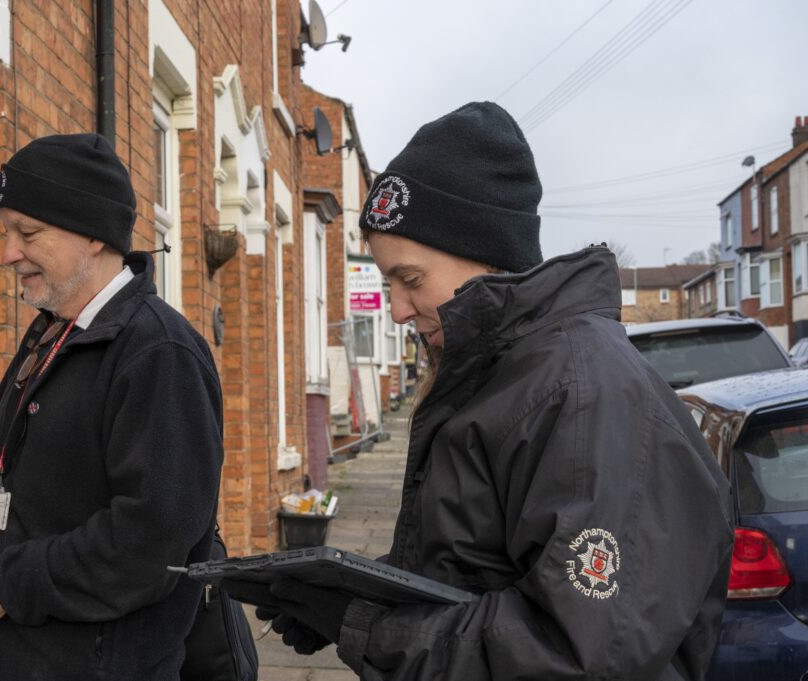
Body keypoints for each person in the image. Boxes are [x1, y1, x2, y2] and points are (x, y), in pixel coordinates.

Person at [227, 103, 734, 680]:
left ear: (487, 256)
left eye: (410, 279)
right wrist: (346, 594)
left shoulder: (583, 394)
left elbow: (573, 655)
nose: (394, 309)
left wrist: (365, 627)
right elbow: (474, 569)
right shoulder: (502, 376)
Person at [0, 133, 224, 680]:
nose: (8, 254)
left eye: (28, 232)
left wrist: (2, 586)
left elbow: (151, 541)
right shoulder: (49, 336)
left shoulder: (158, 353)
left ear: (92, 233)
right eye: (7, 233)